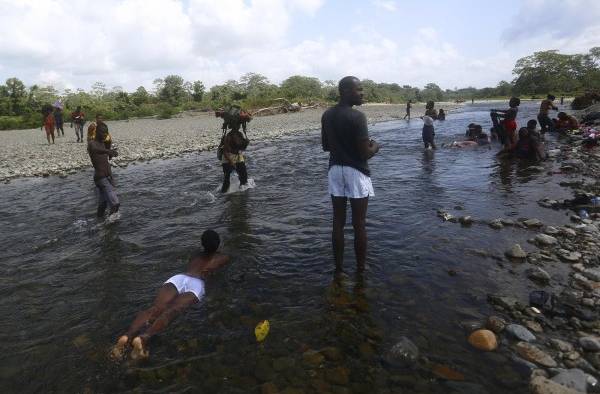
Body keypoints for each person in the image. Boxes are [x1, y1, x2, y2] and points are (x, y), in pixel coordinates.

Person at [111, 230, 230, 360]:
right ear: (218, 244)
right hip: (197, 284)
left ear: (202, 243)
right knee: (171, 311)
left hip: (179, 278)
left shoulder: (195, 255)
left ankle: (127, 335)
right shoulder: (223, 258)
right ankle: (143, 338)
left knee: (155, 308)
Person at [321, 76, 379, 271]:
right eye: (359, 89)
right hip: (356, 171)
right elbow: (365, 153)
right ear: (346, 91)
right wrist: (375, 147)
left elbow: (325, 146)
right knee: (359, 224)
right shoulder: (358, 117)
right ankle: (360, 271)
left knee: (338, 222)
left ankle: (338, 269)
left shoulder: (327, 115)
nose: (363, 93)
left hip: (335, 170)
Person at [216, 106, 251, 193]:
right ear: (233, 125)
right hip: (228, 157)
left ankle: (243, 191)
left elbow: (242, 148)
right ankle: (224, 193)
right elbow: (225, 151)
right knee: (227, 179)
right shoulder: (229, 136)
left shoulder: (240, 134)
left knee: (243, 175)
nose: (238, 126)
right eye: (237, 125)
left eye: (238, 125)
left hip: (238, 155)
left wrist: (246, 143)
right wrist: (231, 162)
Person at [88, 122, 119, 217]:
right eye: (103, 134)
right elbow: (94, 150)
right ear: (97, 132)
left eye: (106, 134)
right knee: (115, 204)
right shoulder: (92, 143)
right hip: (100, 178)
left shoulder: (102, 143)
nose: (105, 136)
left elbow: (106, 162)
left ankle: (98, 222)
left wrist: (112, 178)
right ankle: (109, 225)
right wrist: (108, 151)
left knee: (103, 204)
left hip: (107, 177)